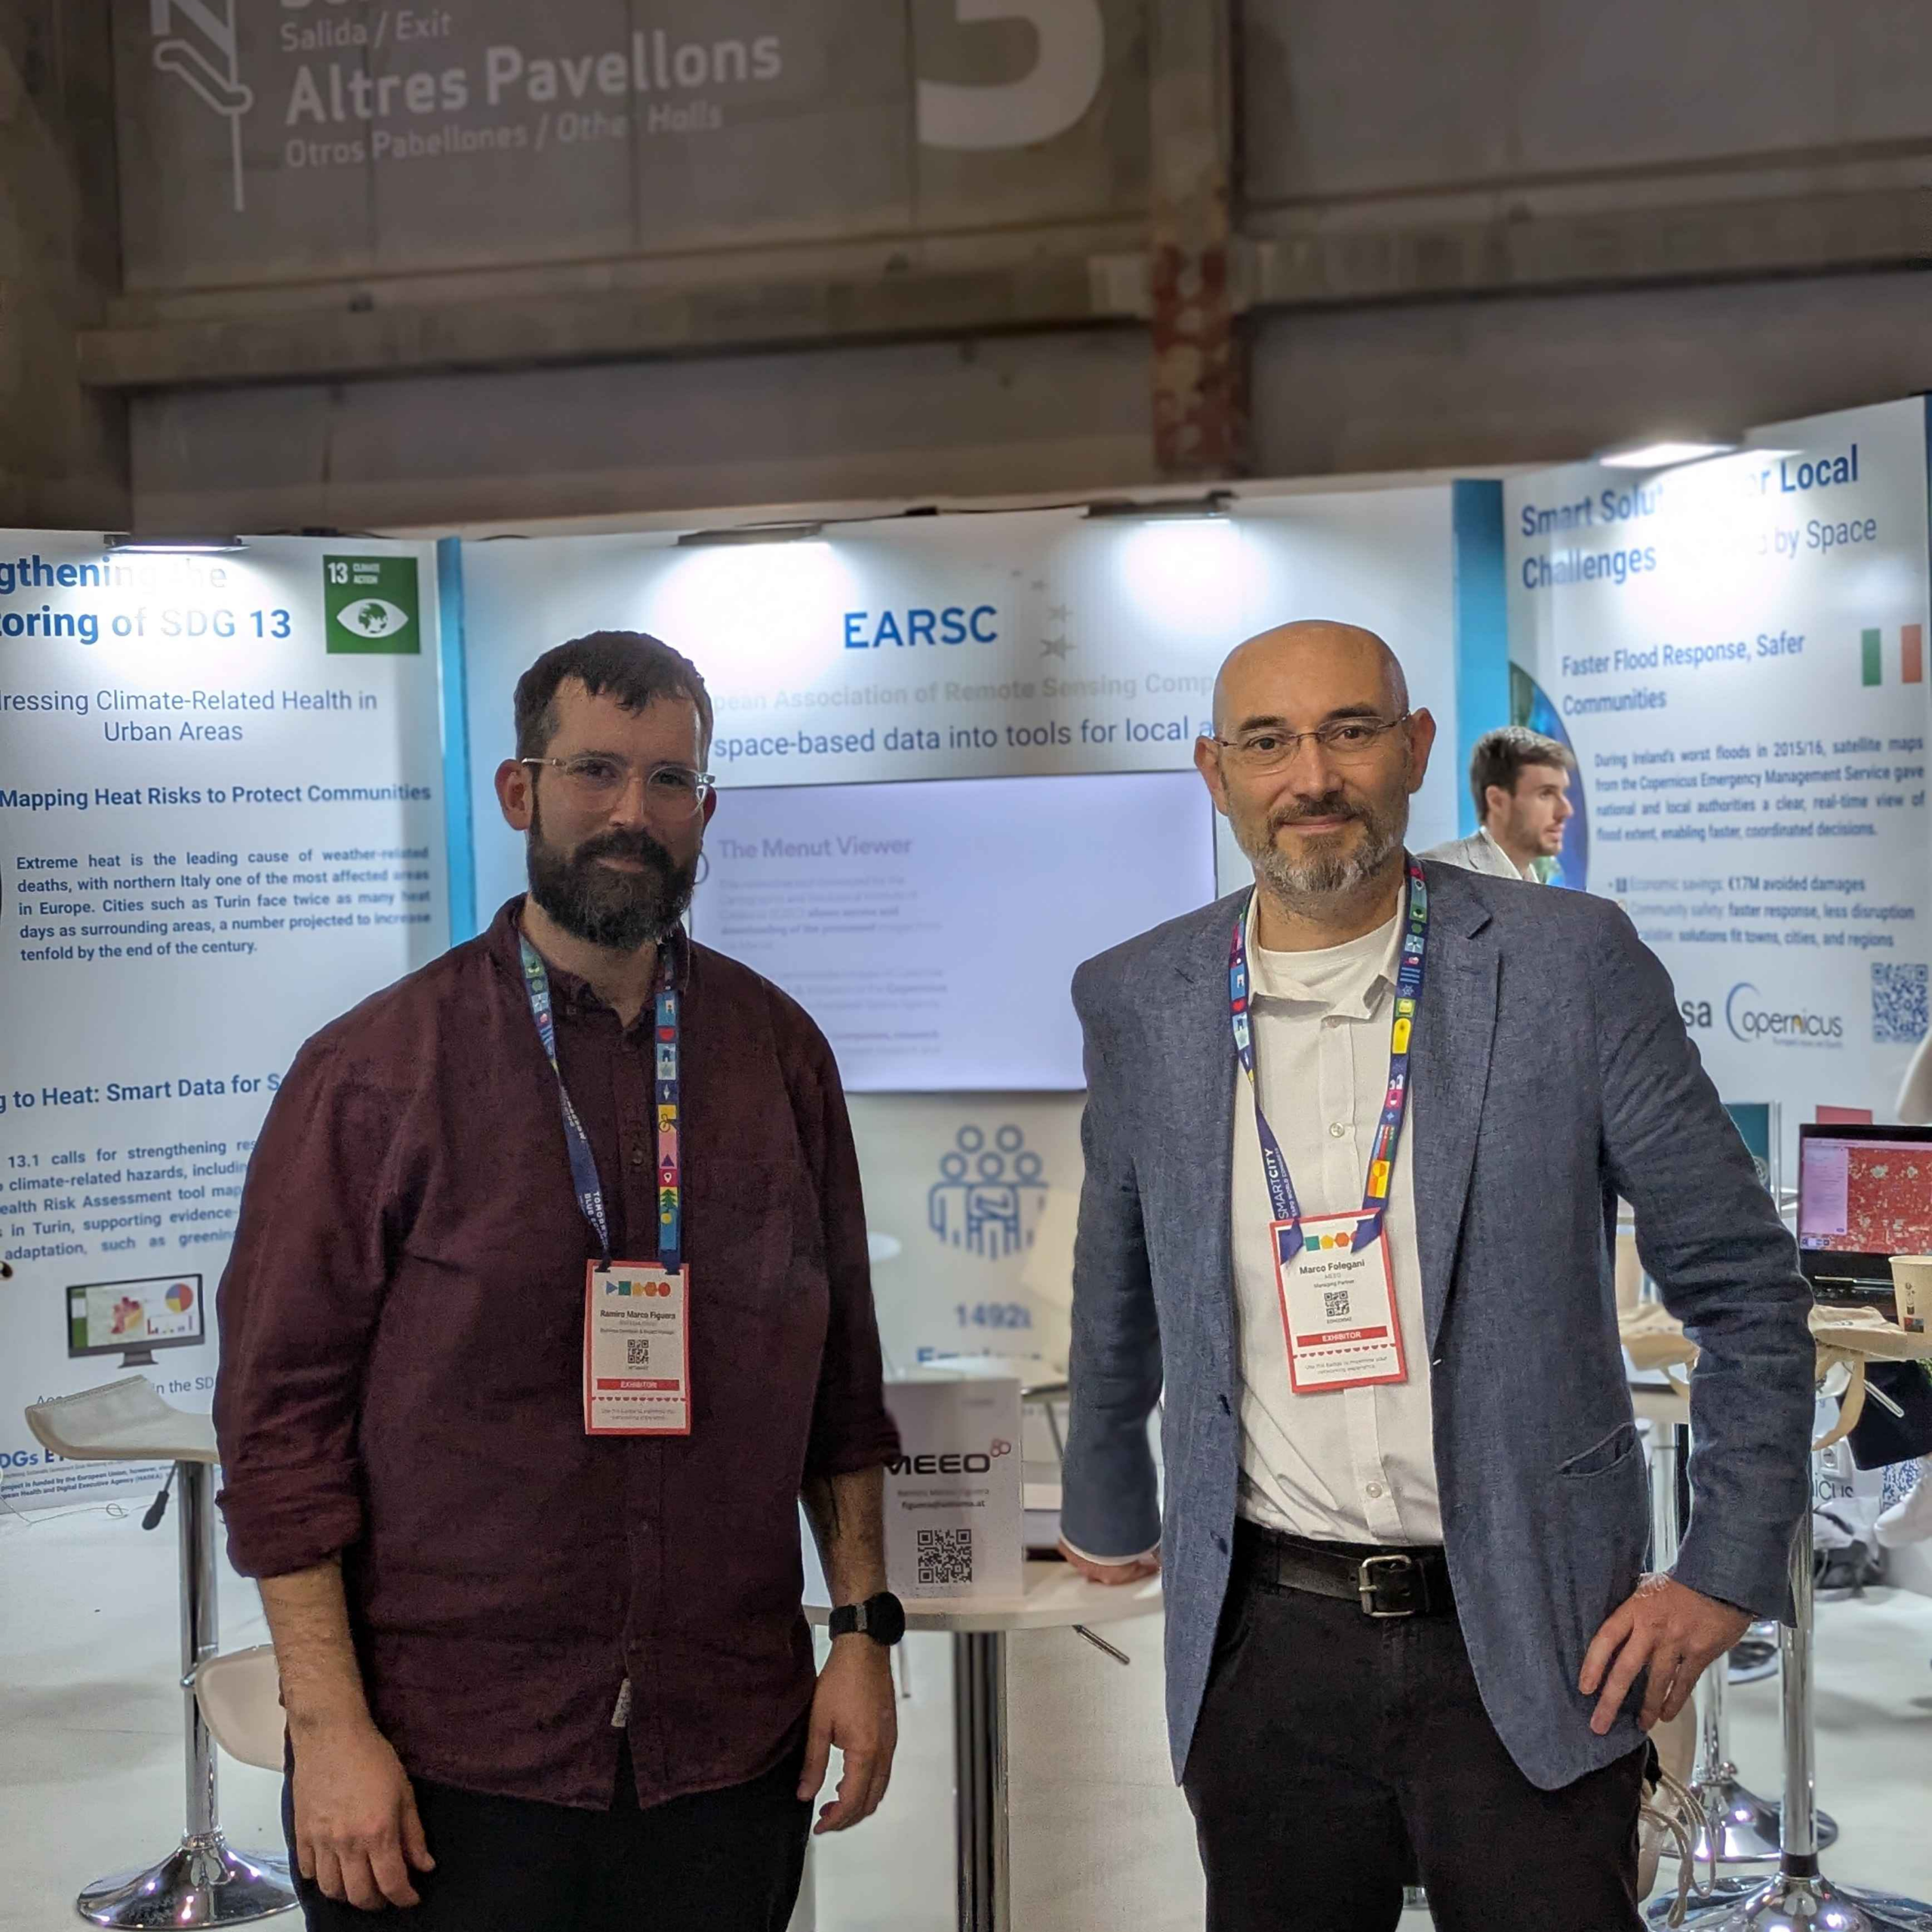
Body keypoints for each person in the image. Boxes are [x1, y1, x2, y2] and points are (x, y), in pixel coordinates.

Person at [1057, 620, 1814, 1931]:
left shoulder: (1571, 965)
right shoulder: (1142, 998)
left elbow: (1746, 1286)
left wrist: (1720, 1570)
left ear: (1412, 750)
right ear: (1216, 773)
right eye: (1267, 743)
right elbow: (1119, 1275)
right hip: (1264, 1649)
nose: (1311, 777)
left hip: (1535, 1629)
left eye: (1349, 732)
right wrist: (1109, 1501)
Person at [214, 630, 906, 1932]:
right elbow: (278, 1432)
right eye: (596, 771)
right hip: (446, 1765)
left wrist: (864, 1630)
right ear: (519, 791)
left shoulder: (776, 1056)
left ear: (705, 809)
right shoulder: (374, 1074)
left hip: (725, 1752)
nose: (633, 812)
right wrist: (329, 1727)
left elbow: (843, 1388)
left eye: (670, 780)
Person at [1423, 723, 1574, 881]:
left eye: (1562, 792)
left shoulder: (1536, 882)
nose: (1566, 810)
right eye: (1545, 794)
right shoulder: (1437, 876)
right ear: (1497, 801)